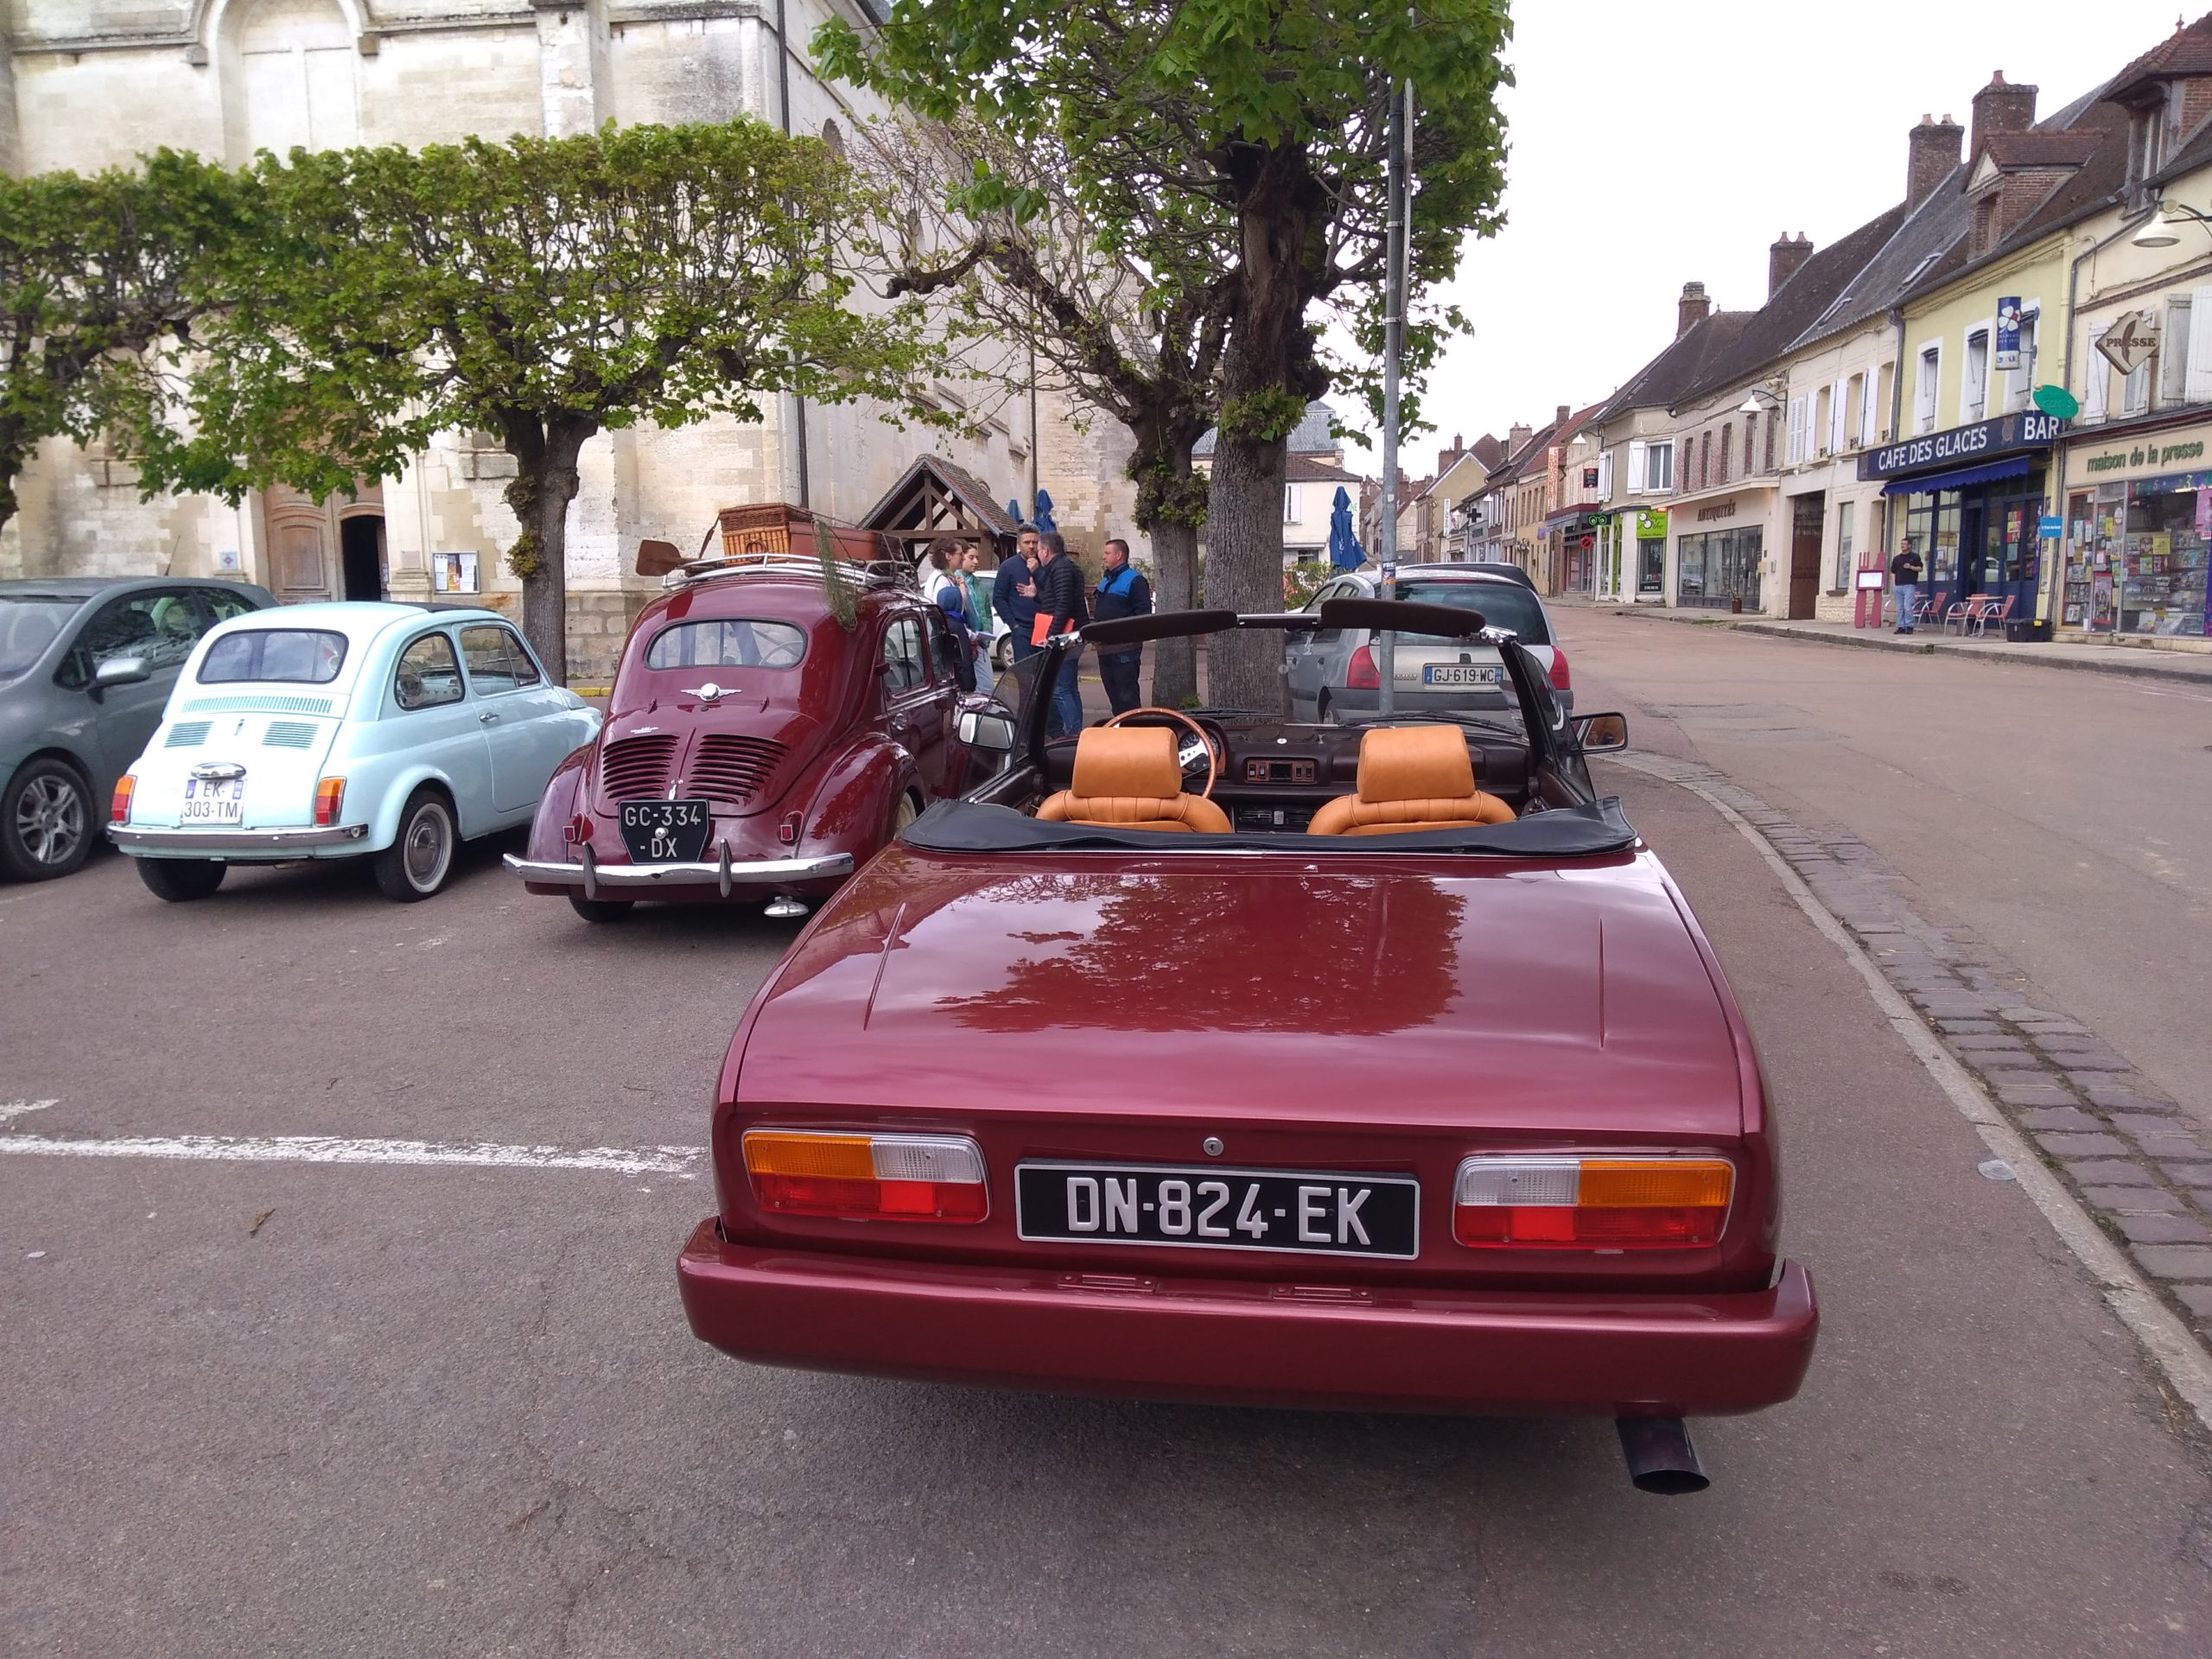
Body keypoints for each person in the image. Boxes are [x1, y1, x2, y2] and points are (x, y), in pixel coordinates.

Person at [1033, 530, 1088, 738]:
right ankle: (1076, 731)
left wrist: (1051, 635)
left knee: (1061, 688)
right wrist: (1037, 595)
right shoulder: (1065, 567)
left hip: (1066, 636)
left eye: (1039, 550)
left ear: (1046, 551)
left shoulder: (1061, 569)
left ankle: (1073, 734)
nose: (1038, 554)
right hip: (1072, 633)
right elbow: (1058, 599)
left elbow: (1063, 605)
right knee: (1069, 687)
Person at [1090, 537, 1153, 715]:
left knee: (1127, 697)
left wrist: (1130, 638)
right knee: (1114, 697)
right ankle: (1120, 726)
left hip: (1125, 651)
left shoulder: (1135, 581)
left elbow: (1143, 615)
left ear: (1118, 555)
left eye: (1107, 553)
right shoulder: (1106, 580)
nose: (1103, 556)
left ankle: (1133, 727)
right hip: (1105, 649)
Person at [922, 538, 977, 692]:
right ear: (948, 556)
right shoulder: (942, 582)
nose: (963, 557)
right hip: (948, 645)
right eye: (959, 554)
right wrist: (970, 635)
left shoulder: (943, 578)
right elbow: (947, 616)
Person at [993, 526, 1041, 661]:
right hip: (1022, 630)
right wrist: (1014, 625)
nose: (1031, 546)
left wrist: (1038, 571)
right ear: (1019, 544)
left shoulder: (1045, 565)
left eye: (1035, 542)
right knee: (1025, 671)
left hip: (1045, 629)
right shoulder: (1008, 567)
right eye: (1027, 542)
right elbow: (998, 599)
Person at [959, 545, 995, 683]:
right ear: (961, 558)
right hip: (965, 640)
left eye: (977, 558)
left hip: (980, 640)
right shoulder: (954, 581)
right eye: (971, 557)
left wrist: (987, 632)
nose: (976, 562)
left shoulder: (978, 583)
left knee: (987, 684)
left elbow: (986, 612)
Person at [1890, 541, 1924, 634]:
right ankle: (1901, 626)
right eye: (1901, 544)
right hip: (1898, 585)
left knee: (1907, 606)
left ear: (1909, 545)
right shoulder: (1896, 558)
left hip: (1909, 584)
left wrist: (1911, 567)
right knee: (1899, 608)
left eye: (1904, 544)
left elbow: (1920, 568)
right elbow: (1892, 572)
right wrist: (1894, 584)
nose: (1902, 546)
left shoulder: (1914, 557)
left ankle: (1909, 626)